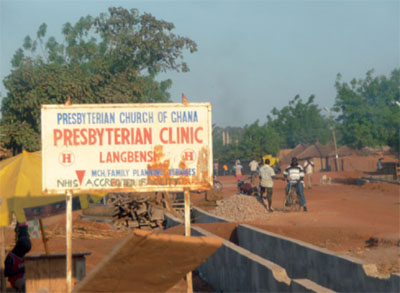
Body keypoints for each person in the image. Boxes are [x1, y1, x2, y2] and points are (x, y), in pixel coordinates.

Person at [5, 223, 32, 292]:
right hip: (16, 280)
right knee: (27, 286)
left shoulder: (21, 255)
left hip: (24, 277)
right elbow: (6, 273)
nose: (24, 253)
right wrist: (20, 270)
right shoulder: (10, 258)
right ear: (19, 248)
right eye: (24, 251)